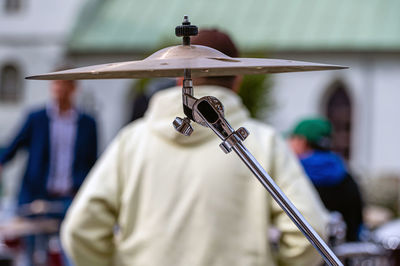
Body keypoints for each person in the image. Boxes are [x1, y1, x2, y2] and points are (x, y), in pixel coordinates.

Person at [61, 29, 329, 266]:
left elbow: (80, 229)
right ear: (238, 80)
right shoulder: (265, 141)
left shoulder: (131, 141)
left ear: (180, 80)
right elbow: (310, 230)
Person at [0, 78, 98, 216]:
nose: (60, 89)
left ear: (74, 88)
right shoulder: (36, 118)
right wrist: (2, 163)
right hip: (37, 195)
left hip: (70, 197)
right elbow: (15, 145)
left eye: (64, 84)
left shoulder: (87, 123)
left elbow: (92, 160)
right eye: (56, 83)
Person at [288, 117, 364, 242]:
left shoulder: (293, 175)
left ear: (302, 141)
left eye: (292, 138)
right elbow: (357, 224)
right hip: (341, 255)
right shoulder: (345, 174)